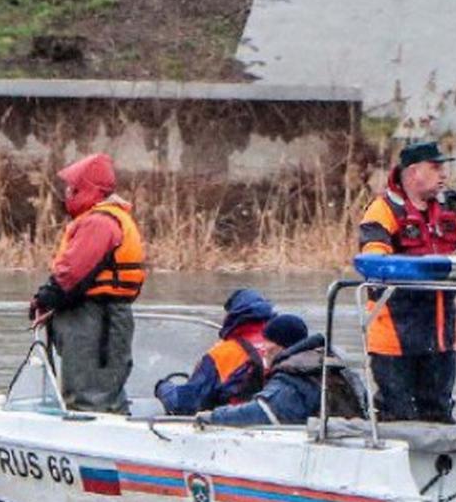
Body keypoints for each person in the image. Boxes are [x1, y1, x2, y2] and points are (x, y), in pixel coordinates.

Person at [358, 139, 456, 424]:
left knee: (438, 414)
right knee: (398, 414)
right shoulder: (382, 211)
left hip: (440, 338)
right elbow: (374, 263)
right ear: (414, 172)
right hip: (394, 337)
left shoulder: (451, 214)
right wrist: (425, 269)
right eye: (436, 167)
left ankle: (442, 464)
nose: (443, 174)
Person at [29, 153, 146, 413]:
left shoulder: (98, 222)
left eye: (73, 188)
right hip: (104, 318)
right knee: (105, 395)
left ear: (87, 190)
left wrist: (45, 297)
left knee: (88, 397)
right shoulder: (111, 218)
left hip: (94, 321)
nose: (68, 193)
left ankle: (91, 444)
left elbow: (72, 273)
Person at [203, 314, 367, 427]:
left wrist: (213, 416)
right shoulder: (334, 364)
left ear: (280, 345)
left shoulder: (292, 375)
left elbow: (262, 413)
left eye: (267, 341)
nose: (264, 348)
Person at [154, 288, 276, 415]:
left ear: (232, 316)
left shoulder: (224, 354)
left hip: (233, 426)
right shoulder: (285, 345)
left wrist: (163, 388)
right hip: (282, 426)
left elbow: (183, 403)